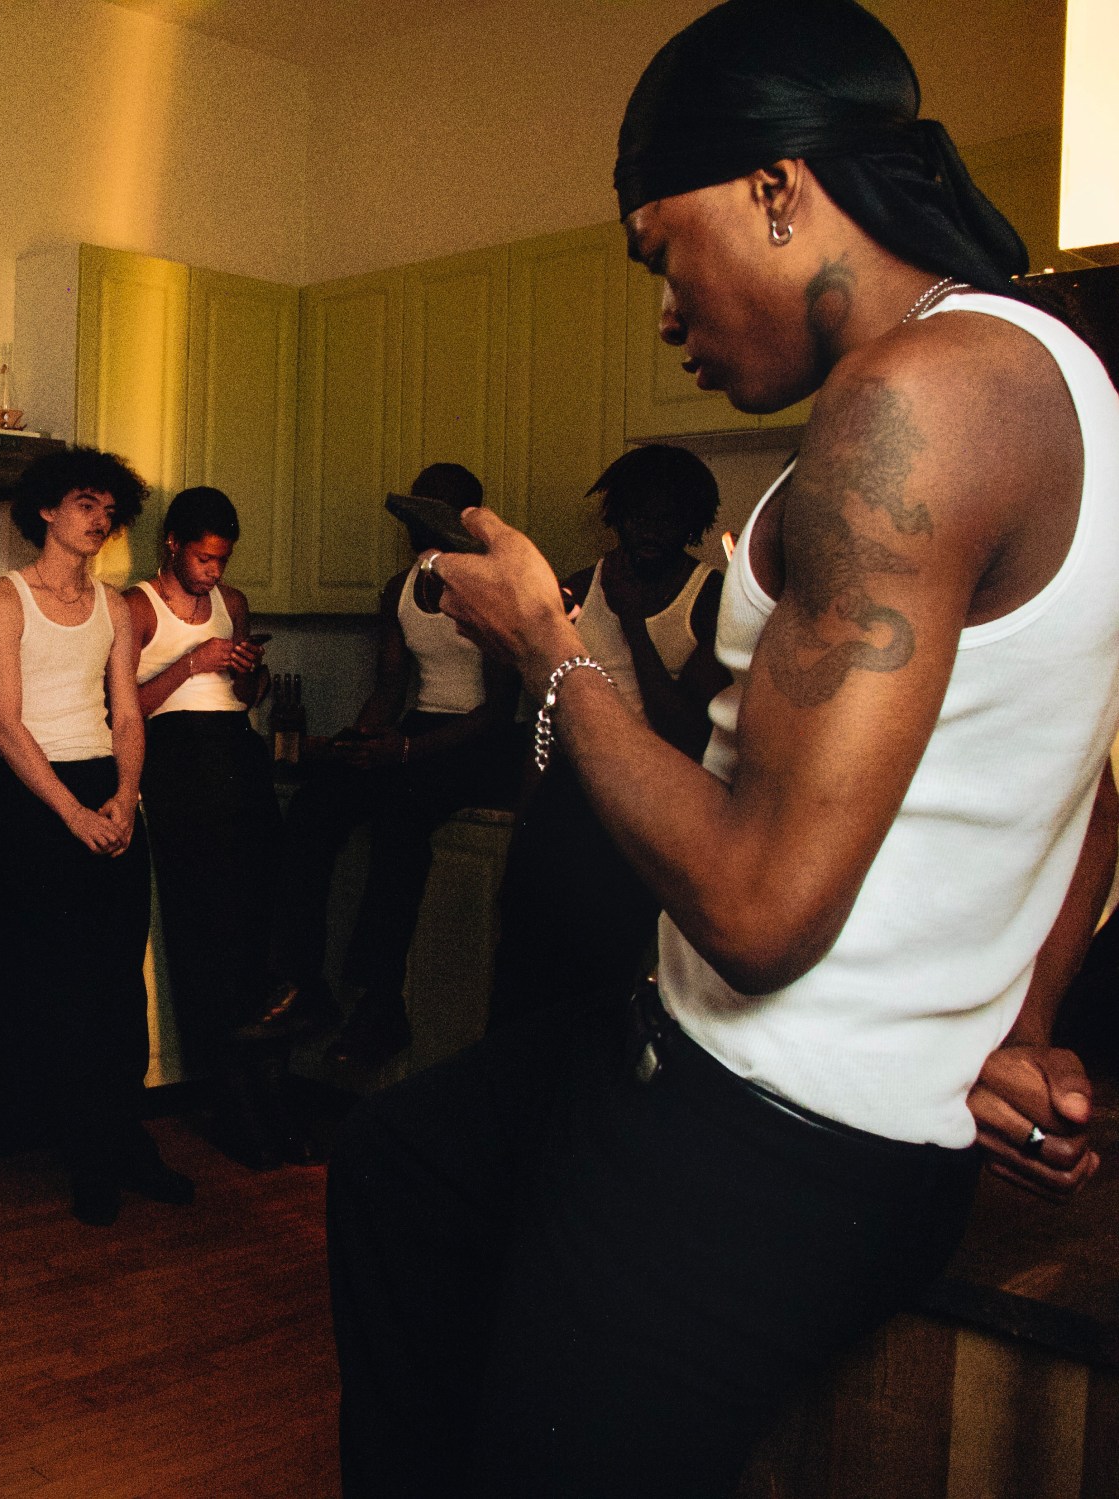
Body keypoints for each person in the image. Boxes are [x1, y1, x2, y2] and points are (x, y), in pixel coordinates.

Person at [327, 2, 1119, 1495]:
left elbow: (757, 912)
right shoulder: (1059, 369)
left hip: (767, 1133)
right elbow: (1084, 791)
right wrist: (1018, 1026)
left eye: (656, 250)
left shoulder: (915, 402)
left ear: (775, 185)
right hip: (732, 1066)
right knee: (398, 1168)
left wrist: (545, 645)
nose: (665, 309)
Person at [0, 446, 194, 1226]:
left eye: (108, 509)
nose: (99, 520)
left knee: (115, 985)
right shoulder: (5, 600)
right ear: (45, 509)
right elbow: (4, 724)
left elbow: (127, 712)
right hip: (39, 801)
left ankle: (125, 1142)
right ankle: (88, 1157)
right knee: (65, 989)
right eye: (84, 504)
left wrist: (126, 797)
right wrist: (72, 813)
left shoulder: (113, 605)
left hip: (109, 789)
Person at [266, 462, 521, 1073]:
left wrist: (403, 753)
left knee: (401, 815)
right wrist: (362, 739)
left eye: (435, 510)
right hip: (418, 728)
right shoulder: (399, 588)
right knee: (315, 804)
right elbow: (389, 685)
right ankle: (307, 987)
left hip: (481, 742)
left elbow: (496, 711)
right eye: (415, 509)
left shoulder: (491, 587)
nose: (417, 522)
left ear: (465, 520)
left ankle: (380, 1003)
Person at [486, 444, 729, 1030]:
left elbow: (684, 730)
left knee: (598, 981)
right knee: (521, 970)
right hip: (567, 795)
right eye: (636, 515)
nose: (648, 530)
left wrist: (631, 623)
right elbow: (547, 708)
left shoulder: (709, 597)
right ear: (616, 516)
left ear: (689, 523)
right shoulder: (575, 587)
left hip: (649, 798)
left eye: (665, 517)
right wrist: (526, 820)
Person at [124, 487, 288, 1165]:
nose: (212, 572)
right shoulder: (137, 607)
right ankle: (232, 1107)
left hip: (236, 757)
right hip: (177, 765)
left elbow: (245, 699)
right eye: (202, 557)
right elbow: (120, 707)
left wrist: (249, 672)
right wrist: (192, 662)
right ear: (171, 543)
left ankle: (268, 1101)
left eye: (221, 560)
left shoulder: (233, 604)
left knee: (260, 927)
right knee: (207, 931)